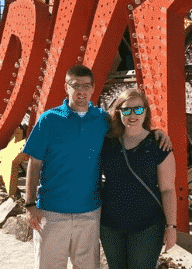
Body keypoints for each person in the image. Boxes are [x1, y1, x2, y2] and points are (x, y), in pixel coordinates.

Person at [22, 65, 171, 269]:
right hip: (51, 211)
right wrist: (30, 204)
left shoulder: (103, 120)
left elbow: (131, 121)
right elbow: (35, 161)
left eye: (86, 85)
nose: (81, 91)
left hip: (90, 213)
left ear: (93, 88)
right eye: (75, 85)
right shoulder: (49, 120)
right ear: (66, 87)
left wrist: (157, 132)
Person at [100, 88, 177, 269]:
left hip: (147, 225)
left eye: (138, 109)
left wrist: (171, 227)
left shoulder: (159, 144)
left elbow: (167, 189)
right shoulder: (107, 142)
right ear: (118, 113)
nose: (132, 115)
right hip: (110, 225)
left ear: (146, 112)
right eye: (126, 110)